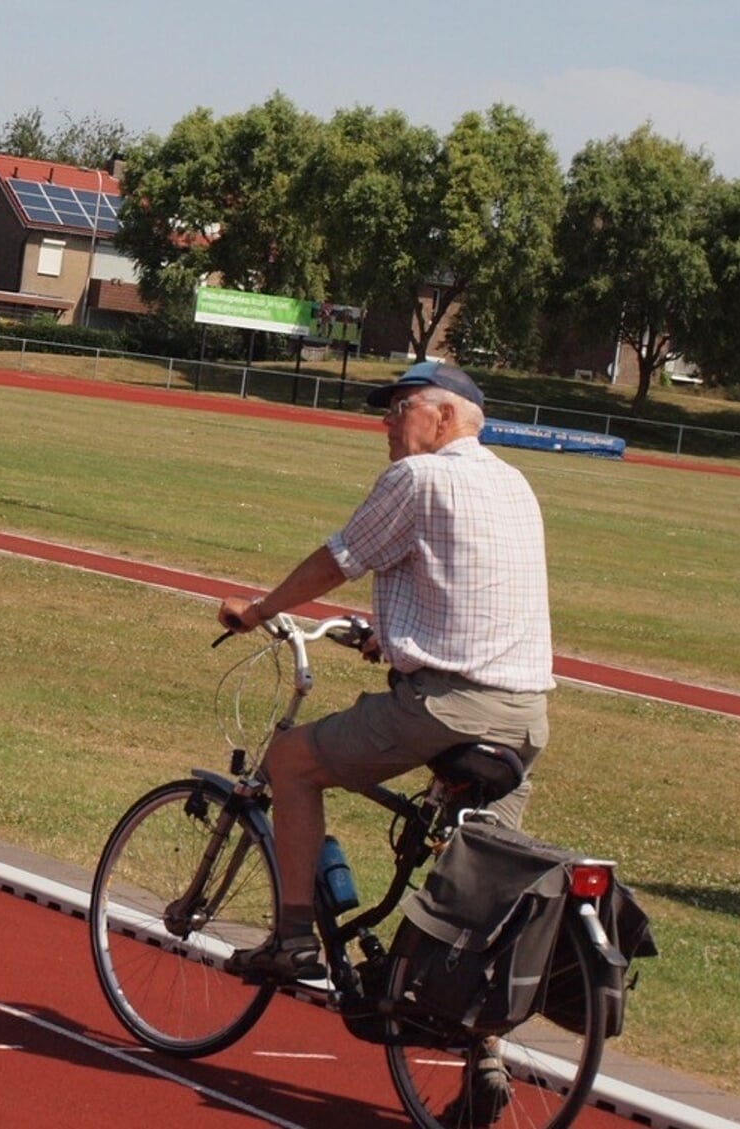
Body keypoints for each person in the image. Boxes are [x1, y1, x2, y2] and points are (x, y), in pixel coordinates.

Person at [215, 360, 553, 984]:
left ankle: (291, 941)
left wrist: (260, 609)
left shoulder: (418, 477)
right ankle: (484, 1046)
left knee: (290, 761)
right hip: (526, 717)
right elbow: (468, 586)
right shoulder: (515, 484)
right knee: (486, 884)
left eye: (401, 410)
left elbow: (340, 560)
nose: (386, 424)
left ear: (446, 416)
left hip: (447, 707)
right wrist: (389, 639)